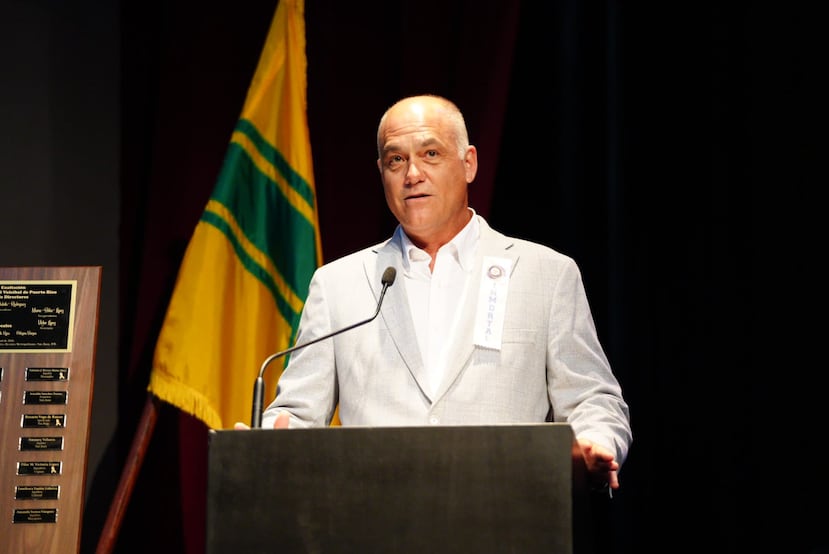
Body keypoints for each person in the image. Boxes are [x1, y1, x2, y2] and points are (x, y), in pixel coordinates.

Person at [237, 94, 632, 491]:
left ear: (469, 163)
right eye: (396, 160)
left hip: (507, 521)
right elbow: (297, 413)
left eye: (430, 154)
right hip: (376, 525)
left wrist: (595, 442)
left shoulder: (546, 274)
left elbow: (592, 398)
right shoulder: (338, 284)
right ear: (381, 172)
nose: (412, 174)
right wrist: (267, 441)